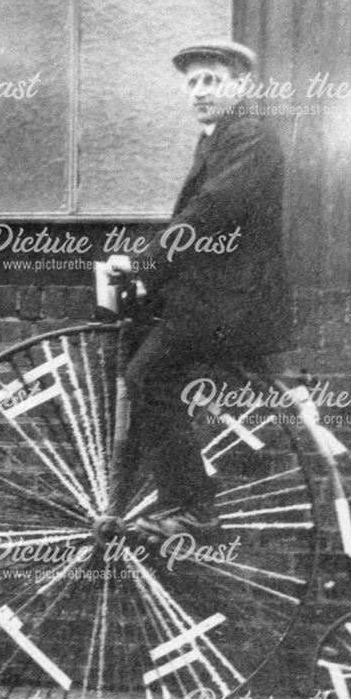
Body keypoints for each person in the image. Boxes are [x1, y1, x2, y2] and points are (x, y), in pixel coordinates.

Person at [110, 40, 293, 534]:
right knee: (139, 366)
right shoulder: (217, 138)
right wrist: (147, 275)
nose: (198, 91)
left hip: (235, 302)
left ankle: (192, 509)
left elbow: (210, 213)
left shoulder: (250, 137)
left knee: (147, 378)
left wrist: (145, 264)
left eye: (210, 80)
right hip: (214, 296)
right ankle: (144, 498)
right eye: (191, 83)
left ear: (241, 85)